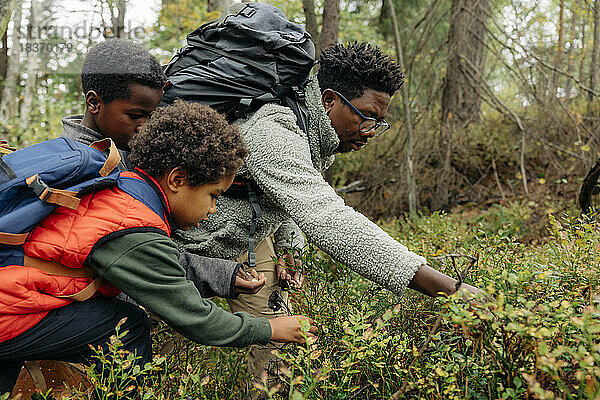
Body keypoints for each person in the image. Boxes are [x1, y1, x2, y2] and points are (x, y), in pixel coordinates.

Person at [175, 42, 482, 388]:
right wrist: (447, 287)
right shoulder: (273, 133)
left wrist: (290, 247)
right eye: (367, 117)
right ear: (329, 100)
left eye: (379, 123)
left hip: (247, 240)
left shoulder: (315, 130)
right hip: (192, 240)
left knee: (280, 349)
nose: (370, 132)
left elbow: (278, 192)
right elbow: (327, 217)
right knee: (147, 343)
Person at [0, 100, 317, 395]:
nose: (214, 210)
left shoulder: (121, 188)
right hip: (9, 312)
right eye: (213, 195)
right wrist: (269, 328)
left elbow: (160, 262)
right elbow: (198, 320)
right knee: (126, 326)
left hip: (11, 296)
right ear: (178, 179)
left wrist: (226, 276)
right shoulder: (135, 225)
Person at [60, 38, 264, 301]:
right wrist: (218, 275)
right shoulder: (85, 169)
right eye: (135, 116)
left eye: (151, 115)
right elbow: (136, 255)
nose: (144, 126)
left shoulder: (120, 150)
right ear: (94, 103)